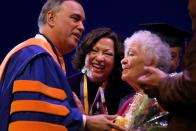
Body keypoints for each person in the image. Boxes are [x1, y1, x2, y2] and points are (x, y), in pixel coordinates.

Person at [0, 0, 126, 131]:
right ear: (51, 18)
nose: (82, 27)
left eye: (83, 22)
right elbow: (35, 119)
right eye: (75, 18)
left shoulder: (30, 54)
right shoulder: (38, 57)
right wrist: (84, 122)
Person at [137, 0, 196, 130]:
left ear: (181, 59)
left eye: (172, 56)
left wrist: (162, 83)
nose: (166, 61)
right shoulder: (128, 100)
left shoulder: (177, 92)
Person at [68, 27, 134, 115]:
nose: (99, 58)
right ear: (84, 55)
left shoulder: (126, 91)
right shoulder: (68, 86)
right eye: (94, 51)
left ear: (116, 60)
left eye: (107, 54)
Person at [115, 30, 171, 130]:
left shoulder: (162, 102)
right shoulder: (127, 103)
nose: (123, 60)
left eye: (131, 54)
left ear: (153, 62)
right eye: (125, 55)